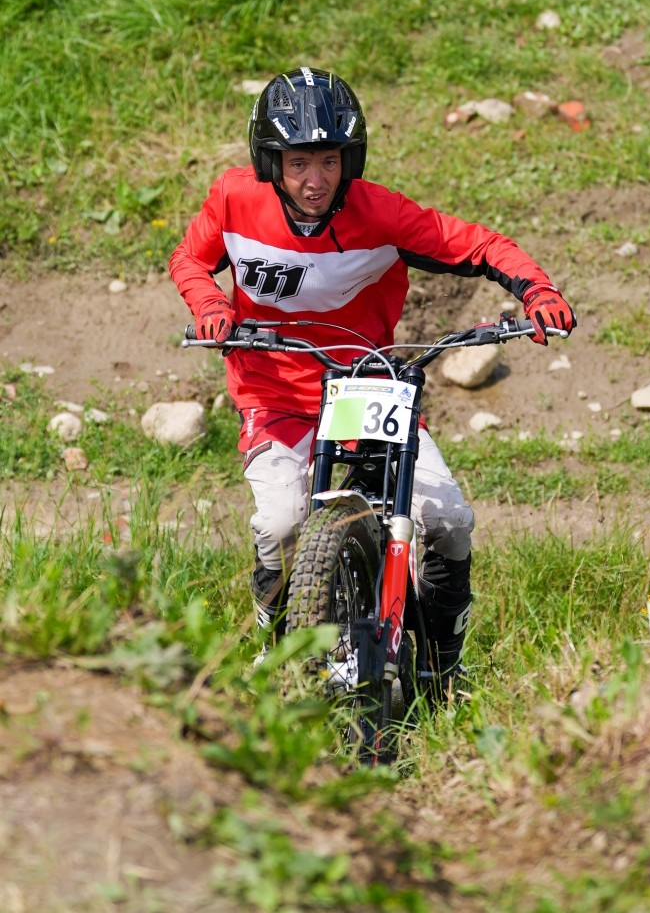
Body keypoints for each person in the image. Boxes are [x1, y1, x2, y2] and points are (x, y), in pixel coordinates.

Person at [169, 65, 575, 685]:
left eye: (329, 162)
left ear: (349, 160)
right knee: (280, 524)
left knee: (448, 522)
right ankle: (274, 644)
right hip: (273, 393)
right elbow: (189, 259)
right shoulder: (233, 199)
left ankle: (443, 667)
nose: (315, 180)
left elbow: (479, 245)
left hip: (365, 387)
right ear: (271, 161)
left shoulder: (382, 214)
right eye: (299, 163)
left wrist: (537, 290)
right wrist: (209, 304)